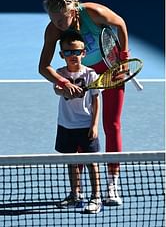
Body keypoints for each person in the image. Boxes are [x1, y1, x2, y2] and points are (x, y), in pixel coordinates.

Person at [40, 0, 127, 206]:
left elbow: (121, 24)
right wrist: (63, 81)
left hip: (110, 69)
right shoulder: (53, 31)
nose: (58, 25)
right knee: (80, 128)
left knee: (111, 124)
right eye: (53, 20)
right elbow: (43, 67)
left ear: (71, 12)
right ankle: (76, 190)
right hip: (80, 76)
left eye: (61, 20)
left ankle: (112, 184)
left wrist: (123, 60)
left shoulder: (92, 12)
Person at [54, 31, 101, 214]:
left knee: (92, 162)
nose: (72, 56)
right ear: (62, 55)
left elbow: (96, 100)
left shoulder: (92, 75)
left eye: (76, 52)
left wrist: (95, 125)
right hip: (66, 125)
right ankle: (75, 195)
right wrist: (65, 89)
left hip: (86, 125)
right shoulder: (59, 74)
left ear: (84, 53)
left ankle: (96, 197)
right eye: (67, 52)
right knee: (71, 162)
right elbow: (58, 90)